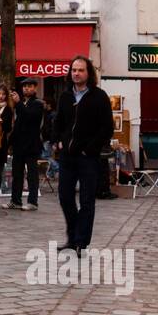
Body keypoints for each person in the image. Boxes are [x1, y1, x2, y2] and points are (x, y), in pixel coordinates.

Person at [52, 56, 114, 253]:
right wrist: (57, 140)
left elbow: (107, 128)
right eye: (73, 70)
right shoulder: (65, 97)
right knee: (65, 197)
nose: (76, 73)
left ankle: (80, 242)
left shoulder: (99, 96)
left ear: (88, 73)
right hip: (67, 156)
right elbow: (58, 123)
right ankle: (73, 236)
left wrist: (90, 148)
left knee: (87, 200)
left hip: (88, 157)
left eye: (80, 70)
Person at [7, 78, 45, 211]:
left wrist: (18, 104)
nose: (26, 89)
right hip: (19, 145)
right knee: (17, 174)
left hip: (31, 145)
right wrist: (10, 142)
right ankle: (15, 201)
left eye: (29, 86)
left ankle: (32, 202)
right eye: (24, 87)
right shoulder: (22, 103)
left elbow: (30, 117)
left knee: (32, 175)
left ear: (35, 88)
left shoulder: (38, 104)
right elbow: (18, 124)